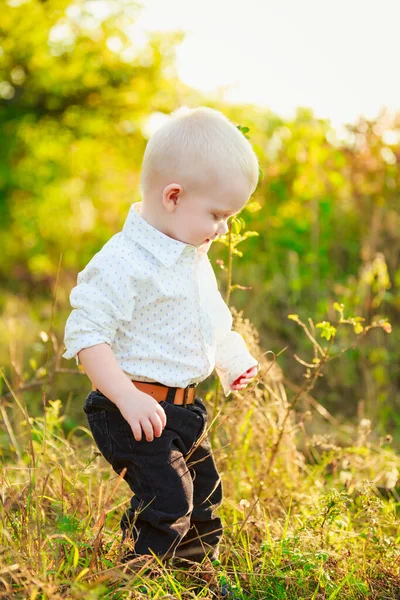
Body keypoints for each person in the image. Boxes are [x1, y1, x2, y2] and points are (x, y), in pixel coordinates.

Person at [62, 106, 259, 574]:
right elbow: (87, 335)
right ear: (173, 196)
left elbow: (211, 318)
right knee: (168, 500)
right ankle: (139, 579)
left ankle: (191, 577)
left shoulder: (192, 257)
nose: (223, 228)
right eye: (217, 214)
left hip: (186, 411)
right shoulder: (124, 260)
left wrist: (230, 359)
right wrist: (127, 397)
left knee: (206, 496)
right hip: (131, 408)